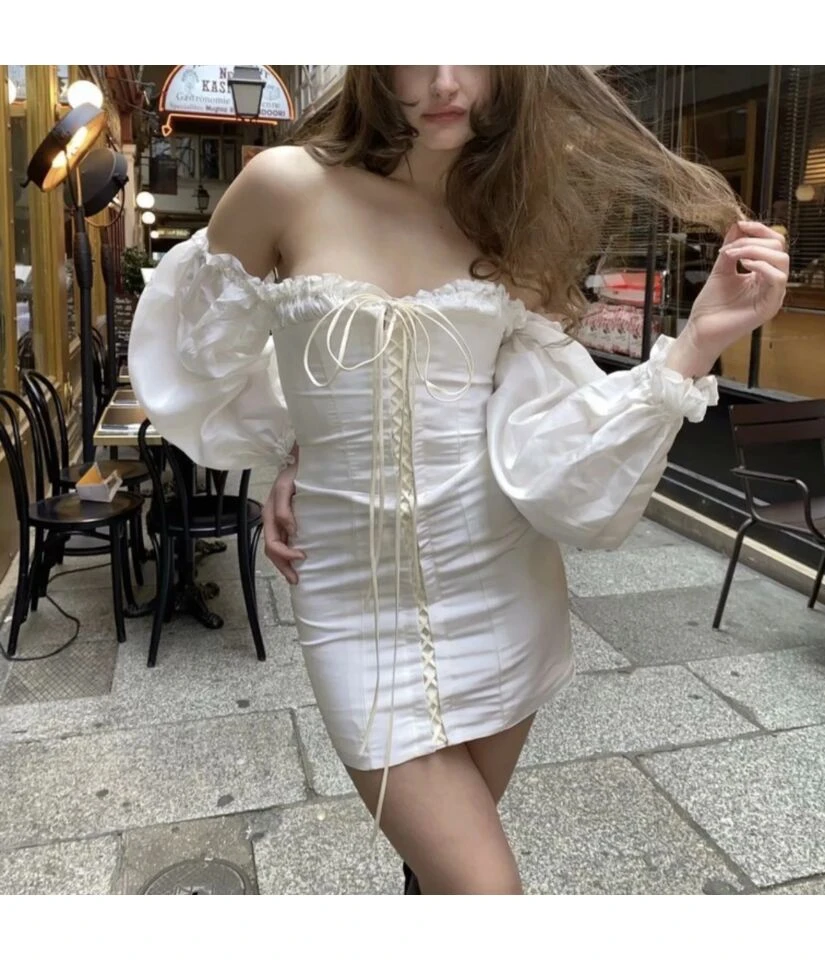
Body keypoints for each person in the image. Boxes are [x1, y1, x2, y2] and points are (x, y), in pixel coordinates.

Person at [129, 66, 788, 895]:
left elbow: (553, 433)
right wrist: (294, 446)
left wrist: (697, 341)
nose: (445, 80)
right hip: (354, 607)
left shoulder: (509, 227)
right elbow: (202, 359)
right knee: (486, 892)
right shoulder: (282, 187)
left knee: (437, 880)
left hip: (504, 595)